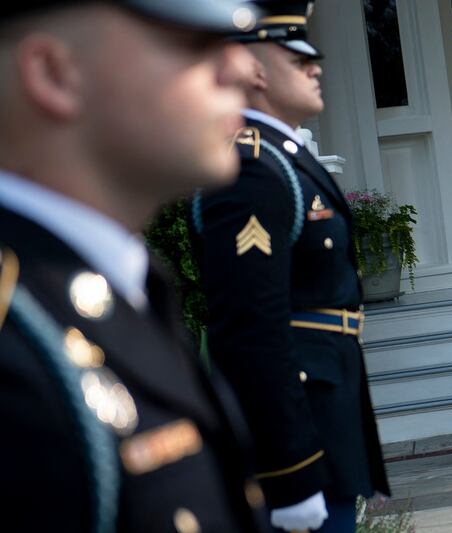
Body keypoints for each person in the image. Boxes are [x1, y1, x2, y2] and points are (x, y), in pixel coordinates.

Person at [0, 1, 273, 532]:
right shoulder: (17, 343)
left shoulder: (118, 277)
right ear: (55, 74)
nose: (241, 69)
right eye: (193, 43)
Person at [191, 1, 390, 531]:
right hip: (299, 433)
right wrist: (288, 470)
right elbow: (251, 329)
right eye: (298, 59)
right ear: (255, 69)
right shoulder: (251, 169)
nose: (316, 68)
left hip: (327, 412)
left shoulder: (281, 157)